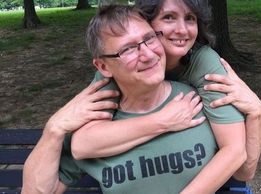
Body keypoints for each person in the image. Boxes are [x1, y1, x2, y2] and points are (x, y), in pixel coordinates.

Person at [22, 5, 246, 194]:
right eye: (128, 49)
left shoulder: (198, 100)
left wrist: (255, 114)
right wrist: (54, 129)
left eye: (149, 39)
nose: (148, 55)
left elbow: (239, 159)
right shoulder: (96, 121)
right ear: (103, 67)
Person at [72, 0, 261, 181]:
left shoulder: (205, 64)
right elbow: (82, 144)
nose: (181, 30)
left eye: (190, 18)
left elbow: (240, 165)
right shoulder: (120, 66)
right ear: (146, 22)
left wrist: (256, 113)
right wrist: (163, 121)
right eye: (169, 17)